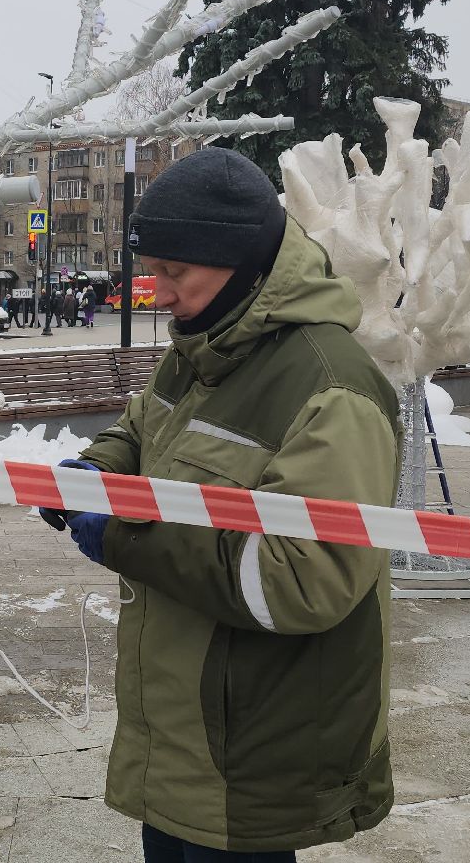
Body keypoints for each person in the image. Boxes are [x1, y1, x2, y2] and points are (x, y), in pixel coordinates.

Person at [45, 148, 400, 861]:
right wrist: (95, 470)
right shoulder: (204, 350)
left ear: (243, 265)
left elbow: (302, 579)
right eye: (154, 270)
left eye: (176, 272)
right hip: (184, 734)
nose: (159, 292)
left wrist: (121, 535)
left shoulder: (330, 387)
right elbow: (142, 428)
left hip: (260, 740)